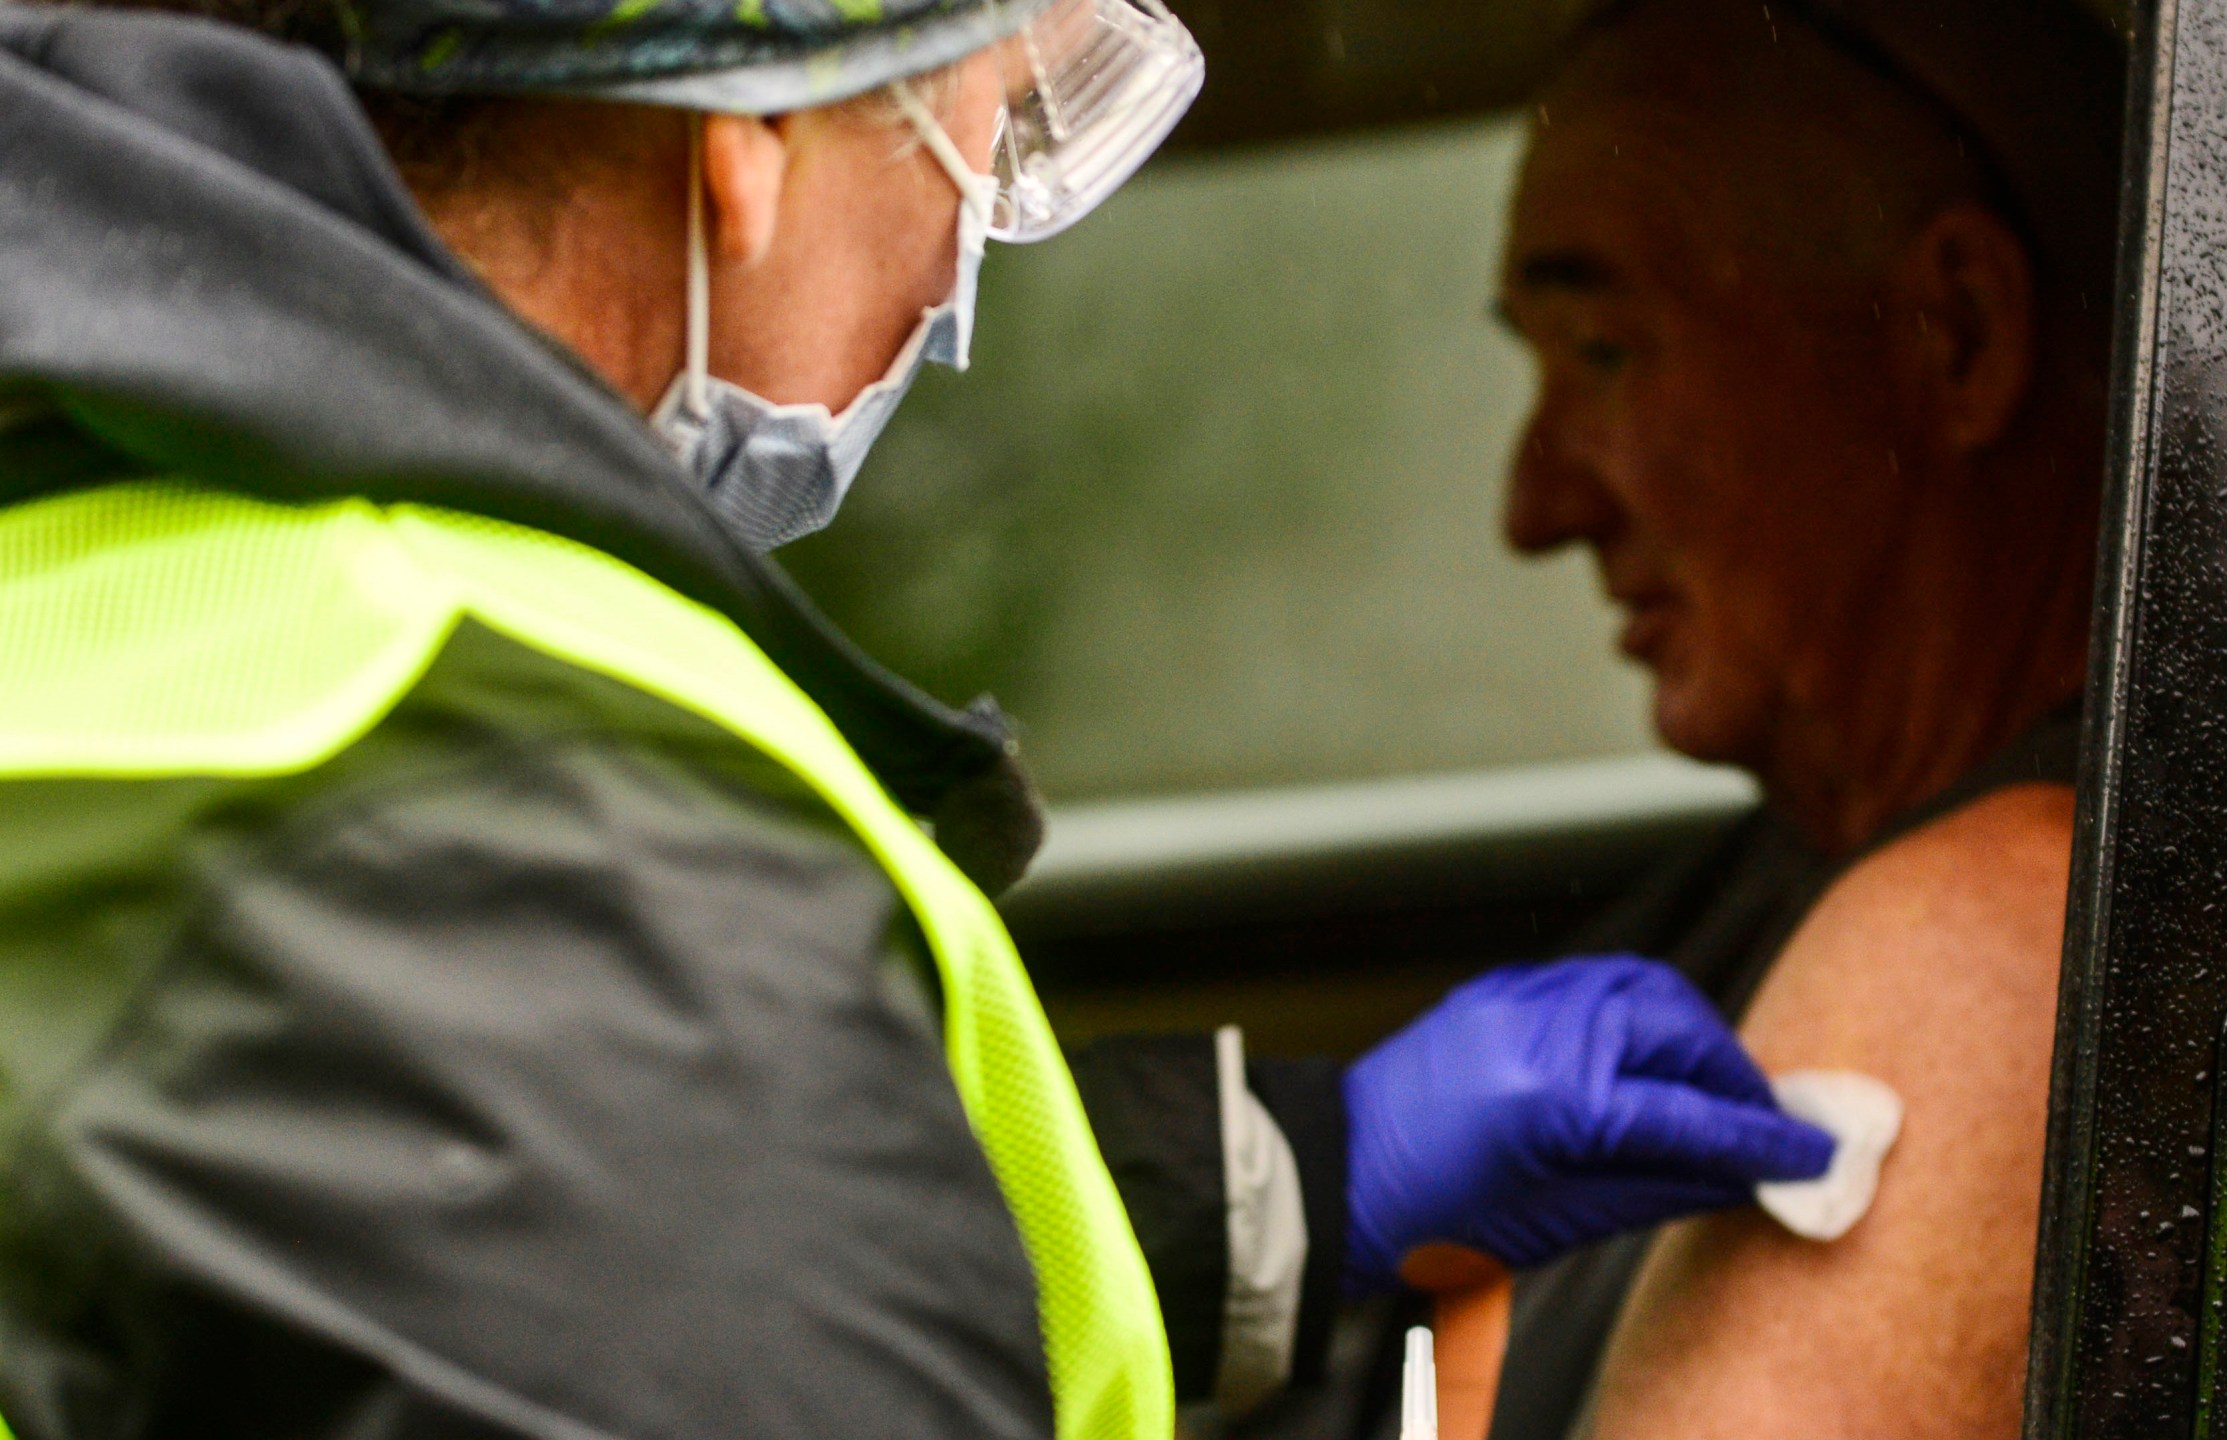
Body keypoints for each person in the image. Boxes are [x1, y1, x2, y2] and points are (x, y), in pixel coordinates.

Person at [0, 2, 1840, 1438]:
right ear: (754, 136)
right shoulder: (546, 866)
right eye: (988, 144)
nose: (962, 285)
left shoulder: (143, 582)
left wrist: (1289, 1181)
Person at [1476, 0, 2125, 1434]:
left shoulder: (1991, 938)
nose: (1537, 507)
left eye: (1603, 352)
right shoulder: (1759, 877)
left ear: (1956, 335)